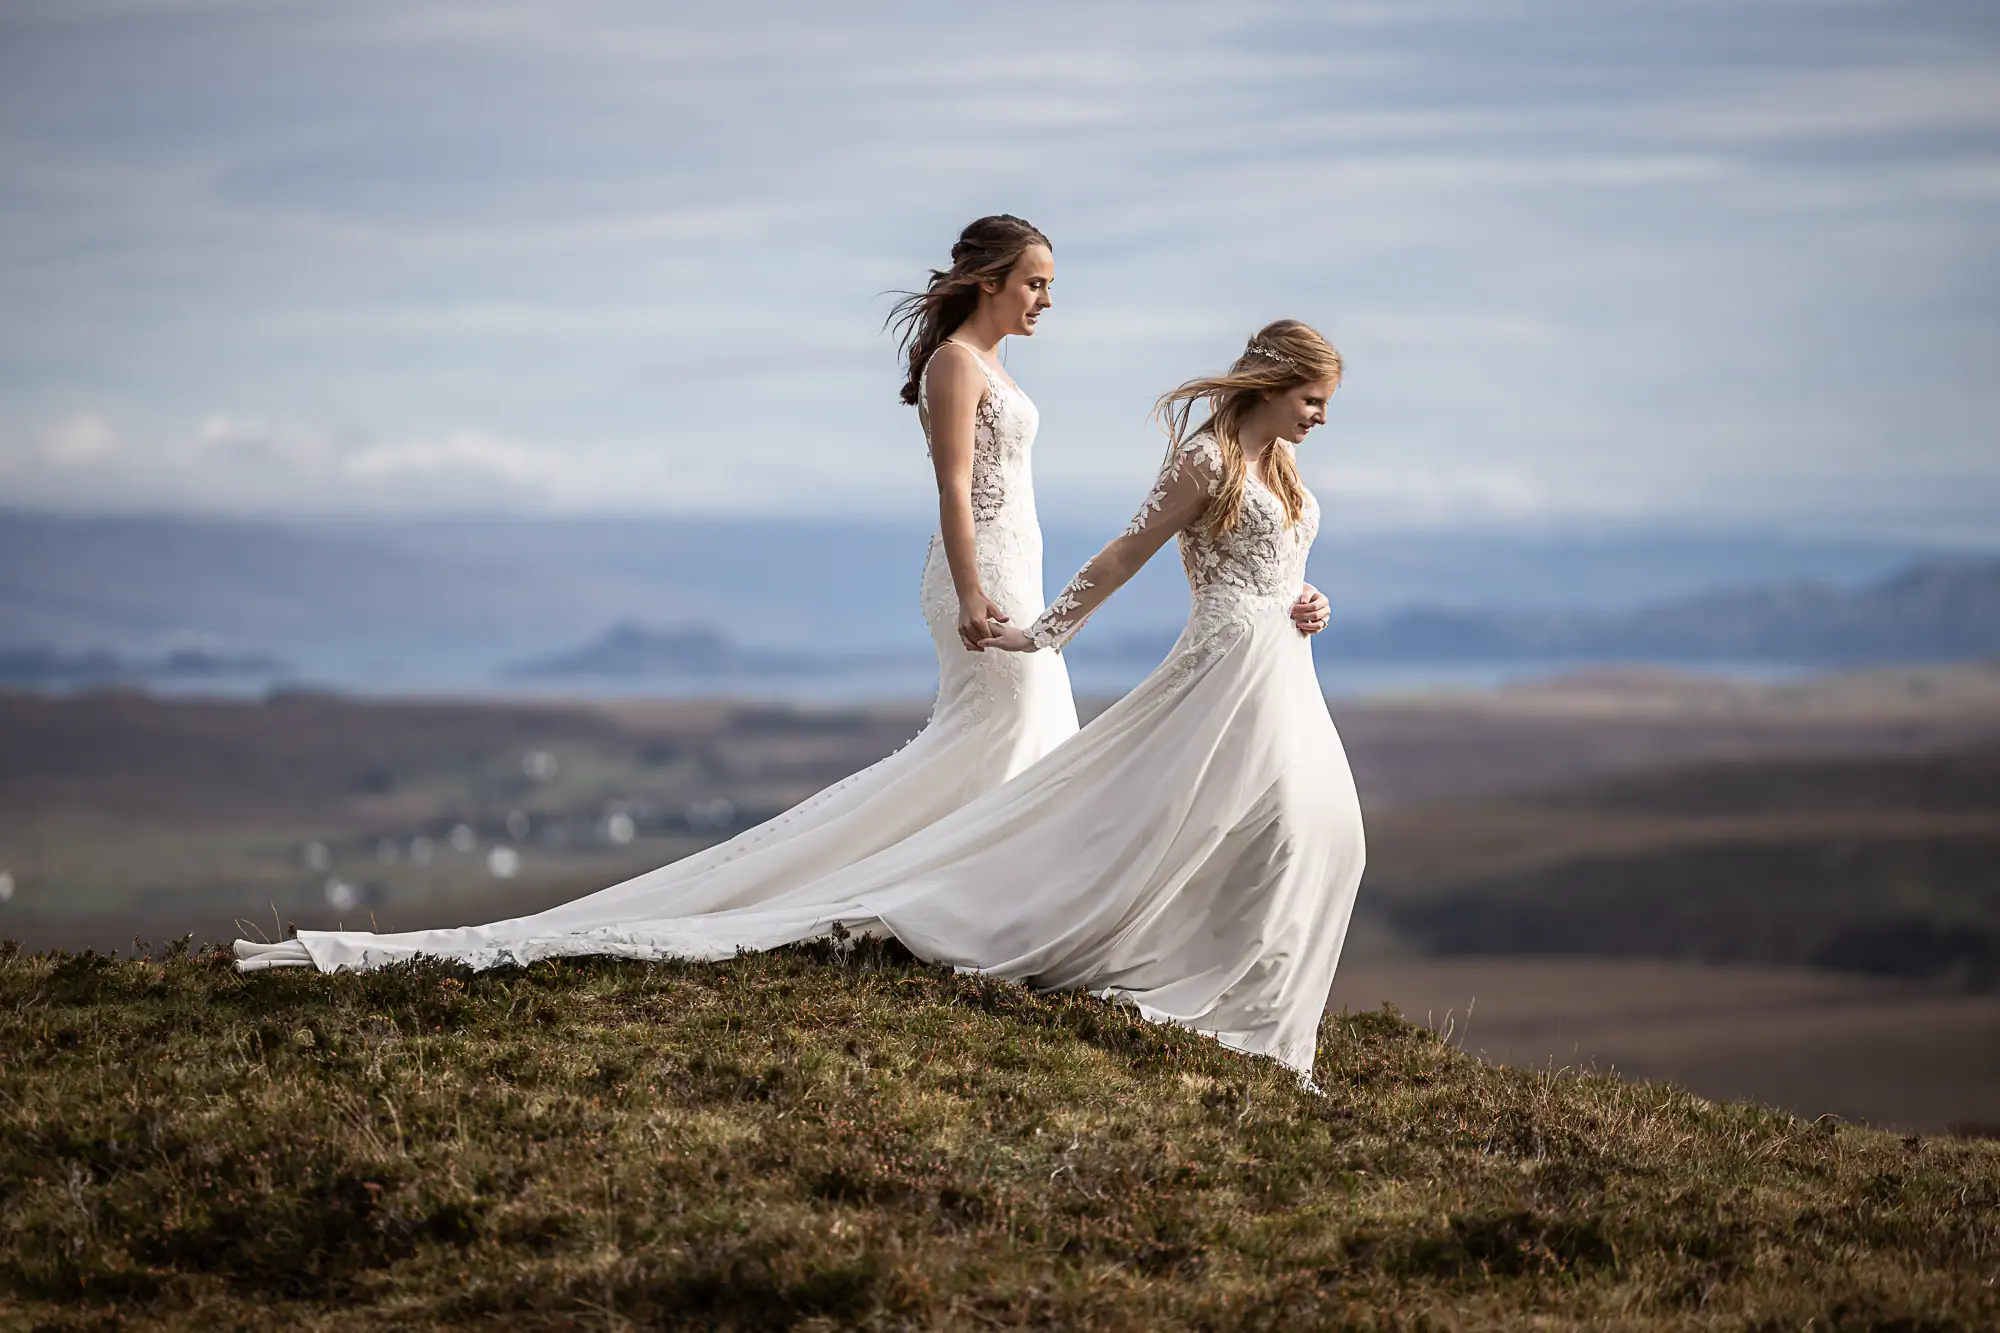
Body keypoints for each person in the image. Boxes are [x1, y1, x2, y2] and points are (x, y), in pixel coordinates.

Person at [245, 318, 1363, 1083]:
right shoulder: (1208, 461)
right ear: (1270, 382)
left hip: (1277, 667)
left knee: (1321, 836)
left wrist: (1301, 598)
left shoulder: (1285, 474)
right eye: (1311, 400)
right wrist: (1045, 628)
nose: (1319, 420)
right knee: (1223, 824)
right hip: (1217, 675)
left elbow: (1270, 565)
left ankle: (1259, 1011)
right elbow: (1127, 551)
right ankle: (1219, 1003)